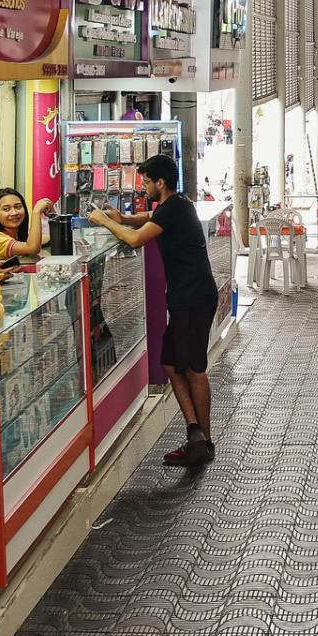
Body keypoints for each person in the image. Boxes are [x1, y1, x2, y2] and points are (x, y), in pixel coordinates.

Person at [84, 154, 222, 466]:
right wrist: (123, 218)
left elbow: (135, 241)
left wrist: (106, 221)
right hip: (187, 296)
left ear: (161, 183)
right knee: (172, 364)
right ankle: (194, 433)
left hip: (193, 299)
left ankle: (206, 442)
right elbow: (150, 218)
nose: (143, 187)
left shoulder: (173, 208)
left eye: (146, 181)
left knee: (195, 369)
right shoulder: (176, 205)